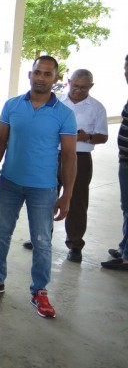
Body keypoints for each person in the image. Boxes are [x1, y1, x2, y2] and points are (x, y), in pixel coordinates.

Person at [0, 56, 77, 319]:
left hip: (43, 188)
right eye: (37, 72)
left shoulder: (64, 114)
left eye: (47, 74)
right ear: (30, 74)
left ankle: (39, 290)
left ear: (56, 78)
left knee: (42, 241)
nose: (41, 78)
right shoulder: (12, 105)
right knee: (1, 233)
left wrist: (67, 195)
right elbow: (0, 144)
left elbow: (69, 156)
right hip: (9, 182)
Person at [56, 70, 108, 262]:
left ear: (91, 87)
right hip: (54, 155)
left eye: (83, 88)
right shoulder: (56, 102)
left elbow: (103, 136)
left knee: (77, 202)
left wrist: (88, 137)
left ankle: (75, 245)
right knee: (46, 197)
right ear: (69, 82)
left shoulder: (97, 108)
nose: (78, 90)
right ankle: (40, 236)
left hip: (81, 158)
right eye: (75, 86)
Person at [103, 54, 128, 272]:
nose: (126, 74)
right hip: (125, 161)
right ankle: (124, 247)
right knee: (126, 207)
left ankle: (127, 257)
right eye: (126, 69)